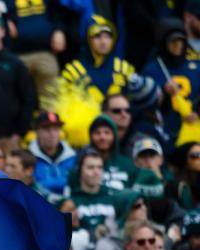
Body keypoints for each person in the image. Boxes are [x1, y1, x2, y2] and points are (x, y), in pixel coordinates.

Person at [0, 10, 35, 144]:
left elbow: (28, 99)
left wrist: (19, 132)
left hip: (8, 135)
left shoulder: (15, 63)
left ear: (2, 32)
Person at [143, 18, 200, 148]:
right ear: (163, 43)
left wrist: (197, 111)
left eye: (181, 40)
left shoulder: (196, 67)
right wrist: (163, 91)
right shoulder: (152, 69)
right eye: (173, 41)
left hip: (194, 130)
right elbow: (144, 104)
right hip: (167, 130)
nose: (178, 45)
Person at [61, 15, 135, 104]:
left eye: (108, 37)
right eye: (97, 37)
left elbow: (135, 102)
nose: (103, 42)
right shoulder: (73, 71)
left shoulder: (124, 69)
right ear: (87, 40)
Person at [7, 0, 64, 110]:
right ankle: (23, 126)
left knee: (50, 98)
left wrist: (59, 30)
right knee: (17, 97)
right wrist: (6, 20)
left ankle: (49, 124)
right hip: (16, 54)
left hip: (45, 51)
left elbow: (58, 13)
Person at [30, 110, 76, 199]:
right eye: (47, 129)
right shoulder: (27, 158)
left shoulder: (73, 157)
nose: (52, 134)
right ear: (37, 132)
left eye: (56, 129)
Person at [87, 114, 137, 190]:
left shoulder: (128, 164)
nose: (102, 137)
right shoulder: (83, 165)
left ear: (115, 136)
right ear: (91, 137)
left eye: (107, 132)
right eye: (97, 133)